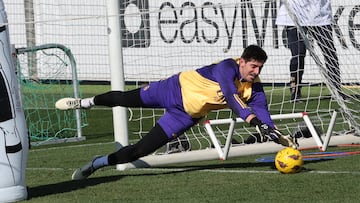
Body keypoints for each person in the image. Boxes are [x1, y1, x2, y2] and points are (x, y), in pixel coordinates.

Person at [55, 45, 297, 180]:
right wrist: (254, 121)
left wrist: (273, 131)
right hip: (172, 89)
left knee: (140, 151)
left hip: (185, 115)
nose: (255, 72)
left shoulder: (255, 88)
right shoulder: (226, 67)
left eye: (259, 68)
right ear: (242, 61)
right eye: (253, 66)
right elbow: (232, 98)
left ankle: (96, 164)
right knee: (124, 98)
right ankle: (86, 102)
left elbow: (262, 110)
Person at [276, 0, 342, 102]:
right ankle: (295, 91)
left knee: (329, 52)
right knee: (298, 54)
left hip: (320, 15)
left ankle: (336, 90)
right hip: (293, 16)